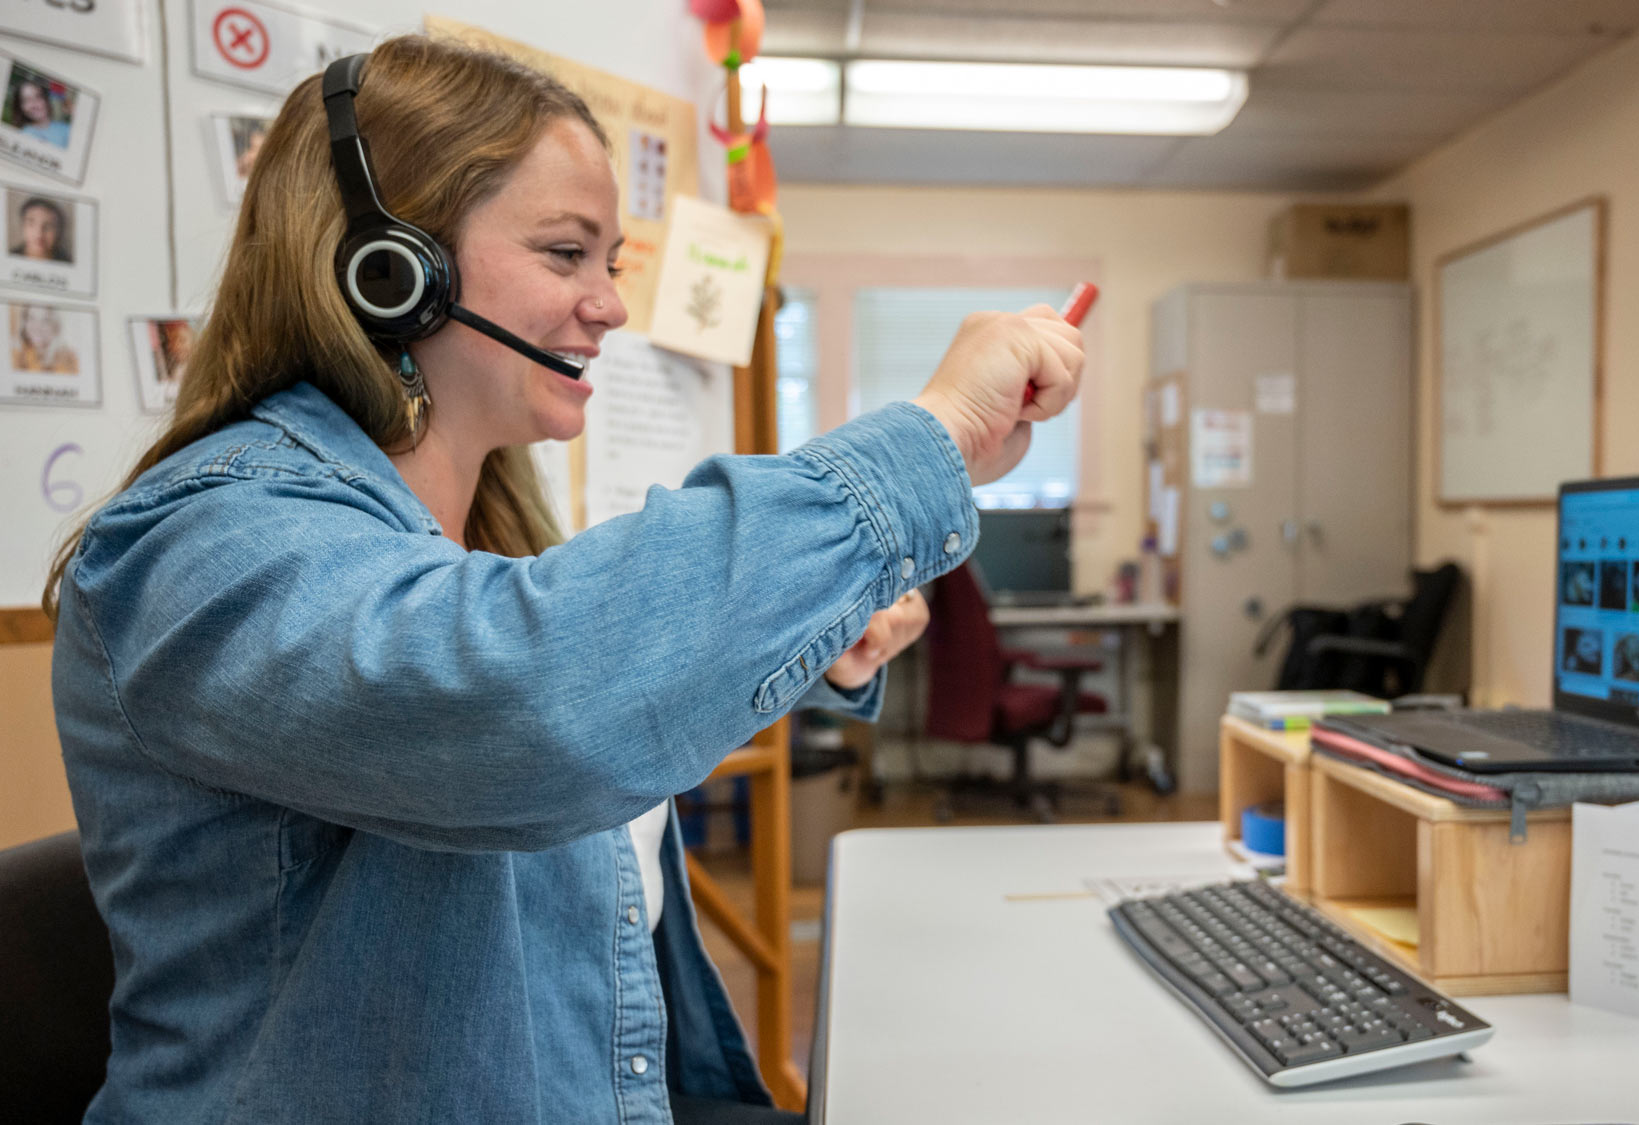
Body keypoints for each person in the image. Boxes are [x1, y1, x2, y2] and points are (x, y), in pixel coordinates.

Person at [43, 37, 1083, 1124]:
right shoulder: (205, 542)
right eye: (563, 253)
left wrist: (808, 633)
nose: (609, 307)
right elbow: (534, 712)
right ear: (388, 269)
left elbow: (569, 717)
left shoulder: (475, 541)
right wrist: (933, 437)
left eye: (612, 263)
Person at [12, 302, 76, 373]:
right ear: (24, 322)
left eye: (45, 320)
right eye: (31, 318)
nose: (37, 327)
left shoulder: (68, 358)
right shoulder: (15, 355)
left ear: (55, 325)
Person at [11, 76, 69, 148]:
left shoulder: (67, 130)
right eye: (26, 100)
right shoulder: (20, 136)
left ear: (46, 99)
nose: (34, 104)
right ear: (20, 107)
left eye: (38, 96)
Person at [9, 194, 69, 262]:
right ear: (22, 225)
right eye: (31, 223)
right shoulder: (8, 256)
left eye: (48, 225)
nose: (39, 233)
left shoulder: (66, 262)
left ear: (58, 231)